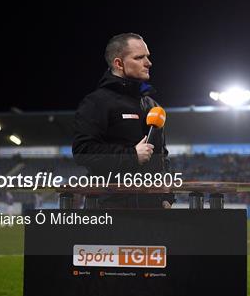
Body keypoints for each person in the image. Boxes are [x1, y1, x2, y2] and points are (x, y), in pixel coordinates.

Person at [73, 33, 174, 208]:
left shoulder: (153, 106)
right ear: (119, 64)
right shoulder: (97, 102)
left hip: (153, 210)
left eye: (147, 56)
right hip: (110, 208)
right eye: (139, 57)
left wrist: (167, 197)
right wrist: (131, 155)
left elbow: (162, 156)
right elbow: (83, 151)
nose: (148, 63)